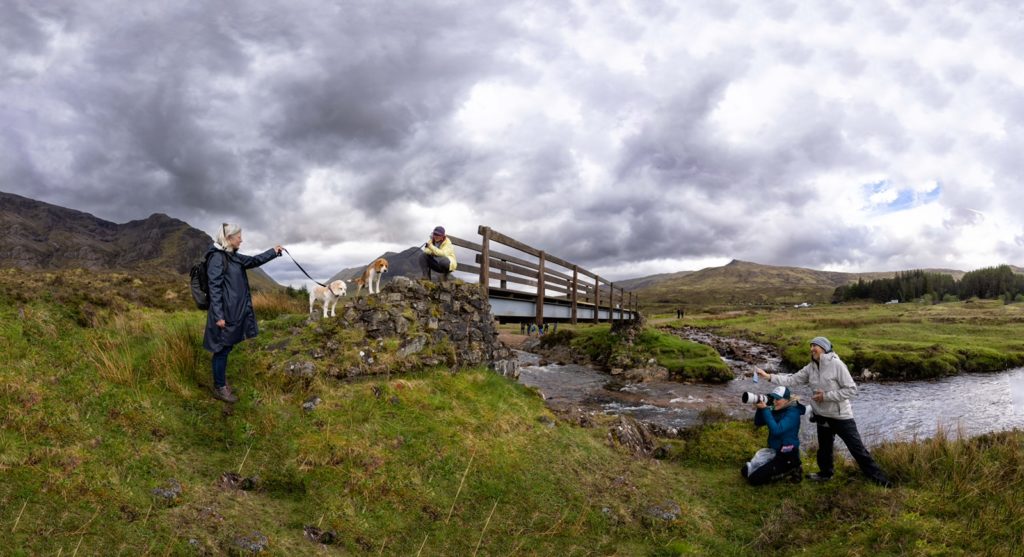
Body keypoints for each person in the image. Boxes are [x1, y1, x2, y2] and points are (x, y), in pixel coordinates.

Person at [756, 336, 892, 487]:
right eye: (811, 346)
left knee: (857, 449)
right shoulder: (811, 367)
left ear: (825, 348)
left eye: (815, 346)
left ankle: (880, 480)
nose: (811, 349)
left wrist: (826, 396)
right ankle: (825, 474)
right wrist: (769, 377)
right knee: (824, 449)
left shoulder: (837, 365)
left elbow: (852, 390)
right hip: (821, 415)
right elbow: (792, 379)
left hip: (840, 416)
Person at [203, 223, 283, 403]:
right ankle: (219, 387)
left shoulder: (233, 257)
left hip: (233, 312)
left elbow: (254, 261)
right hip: (224, 314)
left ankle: (220, 381)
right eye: (239, 237)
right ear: (229, 238)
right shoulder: (217, 258)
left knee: (226, 347)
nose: (242, 239)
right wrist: (218, 316)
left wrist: (273, 251)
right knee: (221, 349)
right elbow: (214, 288)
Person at [742, 386, 805, 485]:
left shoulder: (793, 412)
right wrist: (760, 409)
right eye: (773, 398)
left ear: (786, 400)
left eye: (778, 399)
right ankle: (778, 468)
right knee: (745, 471)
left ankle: (793, 468)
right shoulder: (776, 408)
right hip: (774, 451)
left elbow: (776, 430)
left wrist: (766, 410)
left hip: (787, 454)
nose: (774, 401)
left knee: (754, 480)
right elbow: (758, 422)